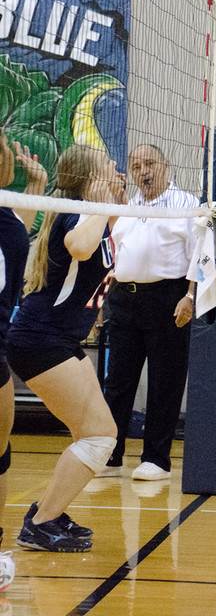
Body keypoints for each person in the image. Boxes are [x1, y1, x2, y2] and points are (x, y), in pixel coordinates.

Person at [9, 145, 125, 552]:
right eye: (110, 165)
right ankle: (40, 523)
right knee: (100, 436)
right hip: (42, 339)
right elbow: (79, 246)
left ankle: (49, 513)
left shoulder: (94, 213)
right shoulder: (79, 212)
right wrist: (104, 205)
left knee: (91, 433)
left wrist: (112, 207)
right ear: (91, 178)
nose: (118, 169)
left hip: (57, 338)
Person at [98, 144, 199, 481]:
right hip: (124, 298)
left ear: (165, 165)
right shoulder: (127, 205)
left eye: (150, 163)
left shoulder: (185, 204)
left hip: (167, 298)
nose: (143, 170)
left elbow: (198, 255)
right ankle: (111, 455)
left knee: (164, 382)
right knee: (118, 382)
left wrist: (189, 296)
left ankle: (156, 459)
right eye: (136, 164)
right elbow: (116, 250)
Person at [0, 133, 46, 577]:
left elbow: (20, 217)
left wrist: (35, 186)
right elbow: (21, 217)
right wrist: (37, 184)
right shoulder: (13, 230)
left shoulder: (12, 229)